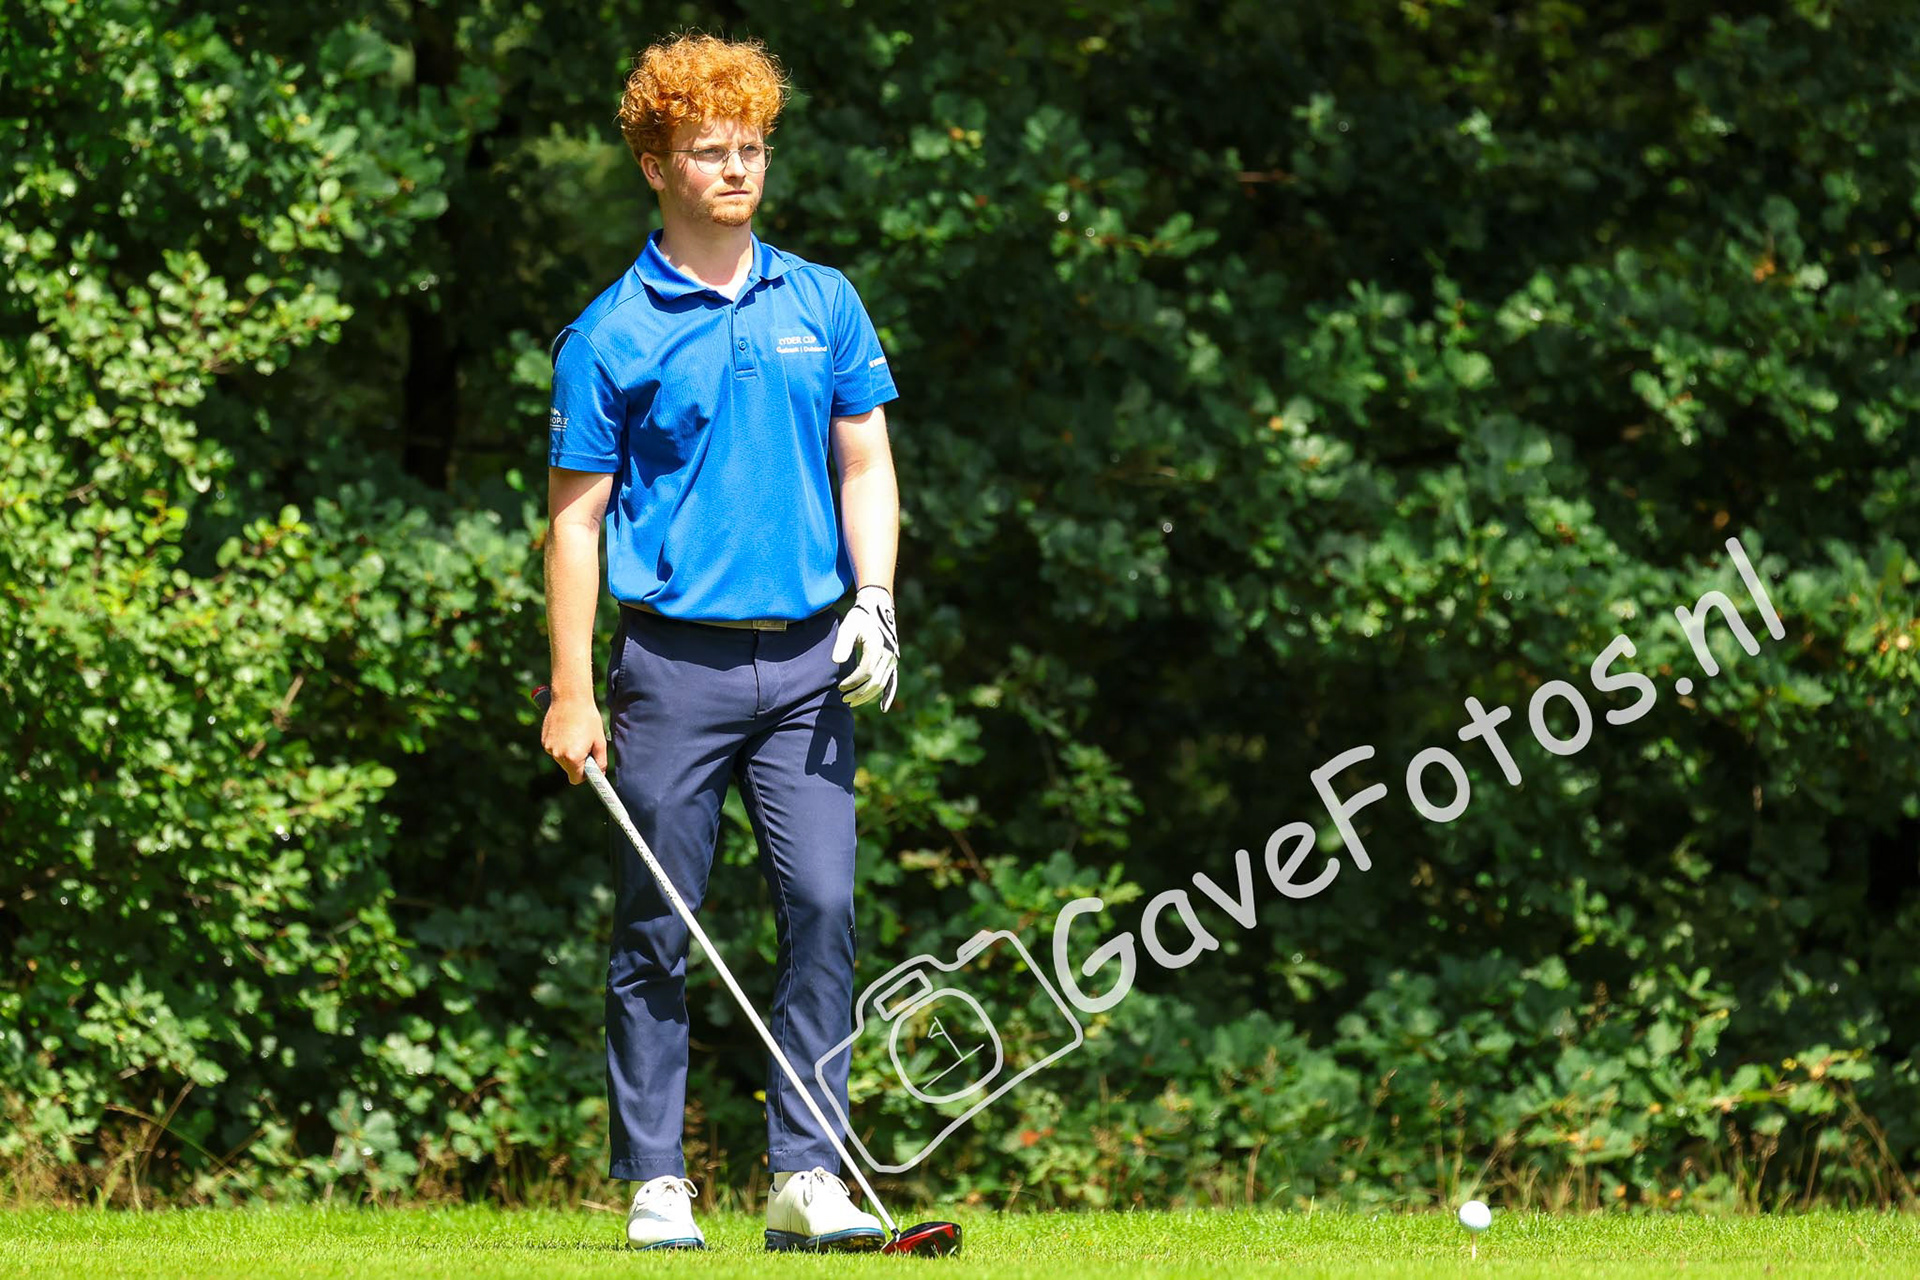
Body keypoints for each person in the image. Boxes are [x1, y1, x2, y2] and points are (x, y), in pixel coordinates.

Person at [539, 33, 901, 1252]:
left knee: (824, 901)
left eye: (750, 148)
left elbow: (866, 459)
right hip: (673, 667)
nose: (737, 169)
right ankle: (656, 1178)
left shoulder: (823, 301)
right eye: (709, 151)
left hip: (809, 662)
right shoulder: (609, 335)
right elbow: (576, 524)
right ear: (657, 163)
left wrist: (878, 599)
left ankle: (807, 1173)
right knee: (659, 918)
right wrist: (572, 689)